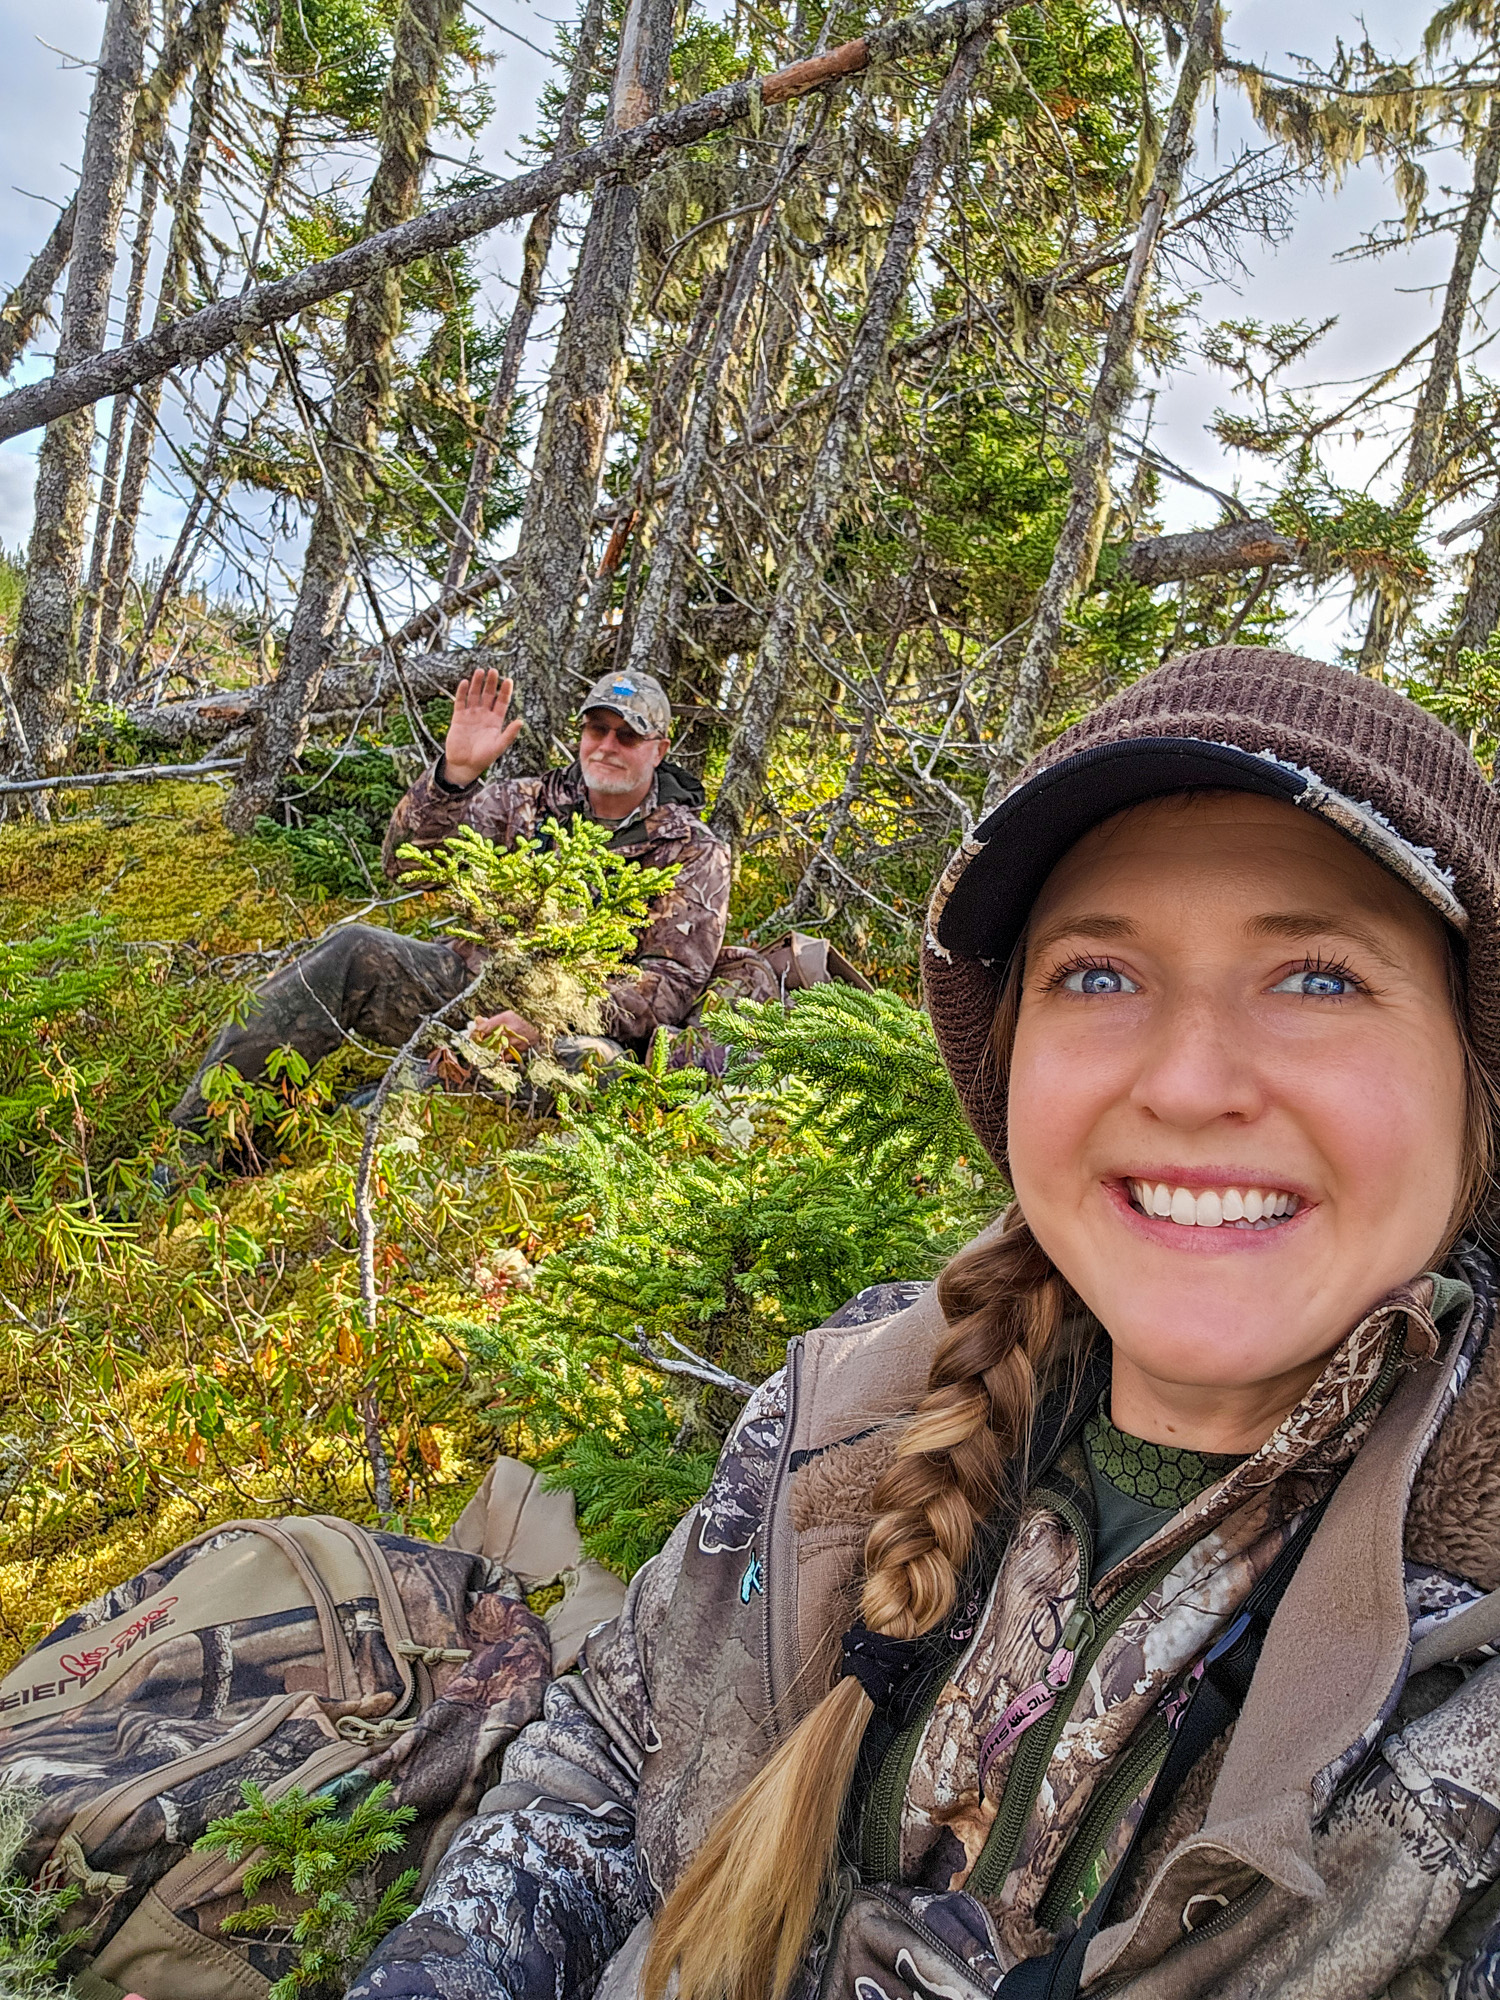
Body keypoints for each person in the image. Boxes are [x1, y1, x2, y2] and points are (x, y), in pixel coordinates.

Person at [347, 645, 1500, 2000]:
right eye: (1098, 975)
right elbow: (607, 1754)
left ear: (1476, 1085)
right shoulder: (847, 1402)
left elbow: (668, 982)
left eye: (1316, 978)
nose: (1189, 1083)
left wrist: (558, 1025)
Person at [169, 668, 732, 1137]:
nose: (606, 747)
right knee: (349, 950)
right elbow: (406, 863)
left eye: (627, 736)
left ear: (658, 750)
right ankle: (194, 1143)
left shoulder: (692, 851)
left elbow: (668, 985)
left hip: (579, 1032)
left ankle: (389, 1102)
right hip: (471, 986)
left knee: (584, 1066)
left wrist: (545, 1018)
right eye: (596, 730)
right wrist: (454, 776)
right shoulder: (527, 803)